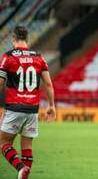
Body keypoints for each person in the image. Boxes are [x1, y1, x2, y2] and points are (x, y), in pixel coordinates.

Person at [0, 26, 56, 179]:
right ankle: (25, 175)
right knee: (27, 146)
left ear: (13, 39)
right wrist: (51, 106)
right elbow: (49, 85)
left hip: (14, 107)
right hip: (32, 109)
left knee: (3, 143)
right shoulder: (39, 57)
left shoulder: (8, 57)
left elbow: (0, 82)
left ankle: (20, 168)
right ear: (27, 39)